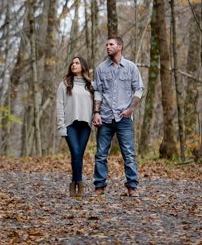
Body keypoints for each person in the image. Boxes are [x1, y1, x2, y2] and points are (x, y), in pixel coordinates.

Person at [92, 36, 143, 197]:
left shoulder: (131, 67)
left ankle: (132, 186)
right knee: (101, 153)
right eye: (106, 44)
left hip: (124, 118)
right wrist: (96, 113)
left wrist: (130, 109)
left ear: (120, 46)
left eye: (111, 44)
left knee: (128, 153)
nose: (107, 47)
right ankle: (99, 186)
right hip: (105, 117)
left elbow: (139, 90)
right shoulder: (101, 68)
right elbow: (98, 91)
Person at [55, 55, 94, 197]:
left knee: (79, 154)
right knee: (76, 152)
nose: (73, 65)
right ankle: (79, 183)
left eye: (77, 63)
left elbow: (96, 104)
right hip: (70, 124)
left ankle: (74, 183)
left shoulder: (91, 85)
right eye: (72, 63)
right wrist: (61, 126)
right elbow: (59, 105)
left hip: (85, 125)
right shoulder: (65, 84)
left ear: (83, 66)